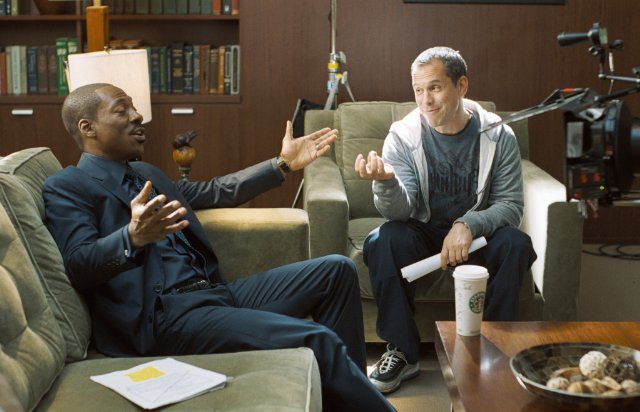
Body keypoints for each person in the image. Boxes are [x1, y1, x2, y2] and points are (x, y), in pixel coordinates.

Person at [43, 83, 395, 411]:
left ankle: (348, 398)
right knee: (316, 338)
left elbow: (214, 191)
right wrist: (131, 238)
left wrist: (282, 164)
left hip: (213, 293)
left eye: (134, 108)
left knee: (336, 270)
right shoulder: (68, 186)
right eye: (122, 111)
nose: (138, 116)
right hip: (165, 316)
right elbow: (78, 263)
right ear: (88, 127)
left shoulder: (145, 173)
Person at [354, 47, 537, 394]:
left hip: (476, 239)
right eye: (418, 90)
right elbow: (399, 213)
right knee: (383, 239)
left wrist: (467, 224)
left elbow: (511, 206)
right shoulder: (403, 137)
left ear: (461, 85)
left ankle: (492, 349)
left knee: (516, 243)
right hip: (422, 233)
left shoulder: (499, 136)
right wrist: (387, 182)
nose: (426, 100)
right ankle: (402, 351)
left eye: (435, 88)